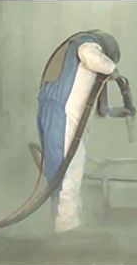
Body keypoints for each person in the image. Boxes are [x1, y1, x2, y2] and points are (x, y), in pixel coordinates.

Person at [37, 30, 120, 233]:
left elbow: (99, 107)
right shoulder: (86, 43)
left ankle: (65, 222)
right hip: (62, 115)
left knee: (59, 171)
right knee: (68, 173)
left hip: (55, 114)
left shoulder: (72, 55)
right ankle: (67, 228)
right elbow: (89, 55)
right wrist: (112, 69)